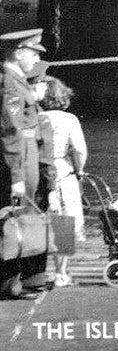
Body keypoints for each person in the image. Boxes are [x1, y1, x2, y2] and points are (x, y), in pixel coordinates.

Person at [0, 28, 53, 299]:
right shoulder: (10, 82)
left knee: (22, 217)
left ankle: (18, 277)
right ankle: (10, 280)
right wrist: (17, 175)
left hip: (27, 153)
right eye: (33, 53)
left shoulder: (16, 79)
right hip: (21, 155)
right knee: (14, 218)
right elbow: (10, 130)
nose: (35, 59)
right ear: (18, 52)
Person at [38, 77, 86, 288]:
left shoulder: (36, 117)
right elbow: (78, 150)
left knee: (42, 222)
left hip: (38, 170)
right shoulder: (69, 120)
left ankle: (37, 272)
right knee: (64, 224)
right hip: (62, 171)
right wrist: (79, 171)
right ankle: (61, 273)